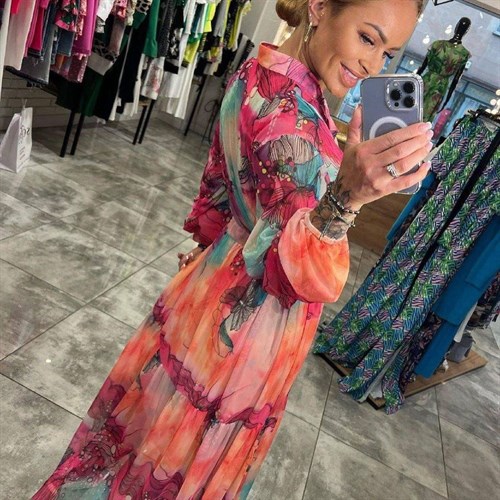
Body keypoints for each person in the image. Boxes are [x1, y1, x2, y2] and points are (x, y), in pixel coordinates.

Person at [33, 0, 429, 498]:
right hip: (245, 333)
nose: (373, 65)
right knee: (176, 469)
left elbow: (220, 192)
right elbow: (298, 275)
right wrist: (348, 197)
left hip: (212, 291)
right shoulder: (293, 117)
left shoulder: (263, 71)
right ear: (319, 7)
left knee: (137, 451)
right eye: (367, 38)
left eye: (388, 54)